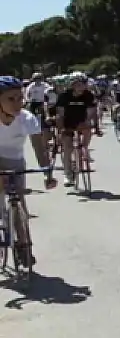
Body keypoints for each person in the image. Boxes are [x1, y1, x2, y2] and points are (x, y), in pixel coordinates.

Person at [0, 76, 57, 267]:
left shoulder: (27, 118)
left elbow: (39, 148)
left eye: (19, 98)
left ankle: (23, 245)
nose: (17, 103)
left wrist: (47, 173)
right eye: (10, 99)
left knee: (18, 200)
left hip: (15, 160)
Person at [54, 72, 101, 187]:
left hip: (82, 120)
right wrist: (61, 129)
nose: (82, 87)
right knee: (67, 147)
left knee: (88, 130)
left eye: (83, 84)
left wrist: (93, 125)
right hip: (67, 121)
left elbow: (92, 111)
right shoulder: (64, 96)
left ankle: (83, 148)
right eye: (79, 84)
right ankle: (67, 174)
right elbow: (60, 114)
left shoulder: (88, 95)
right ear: (73, 85)